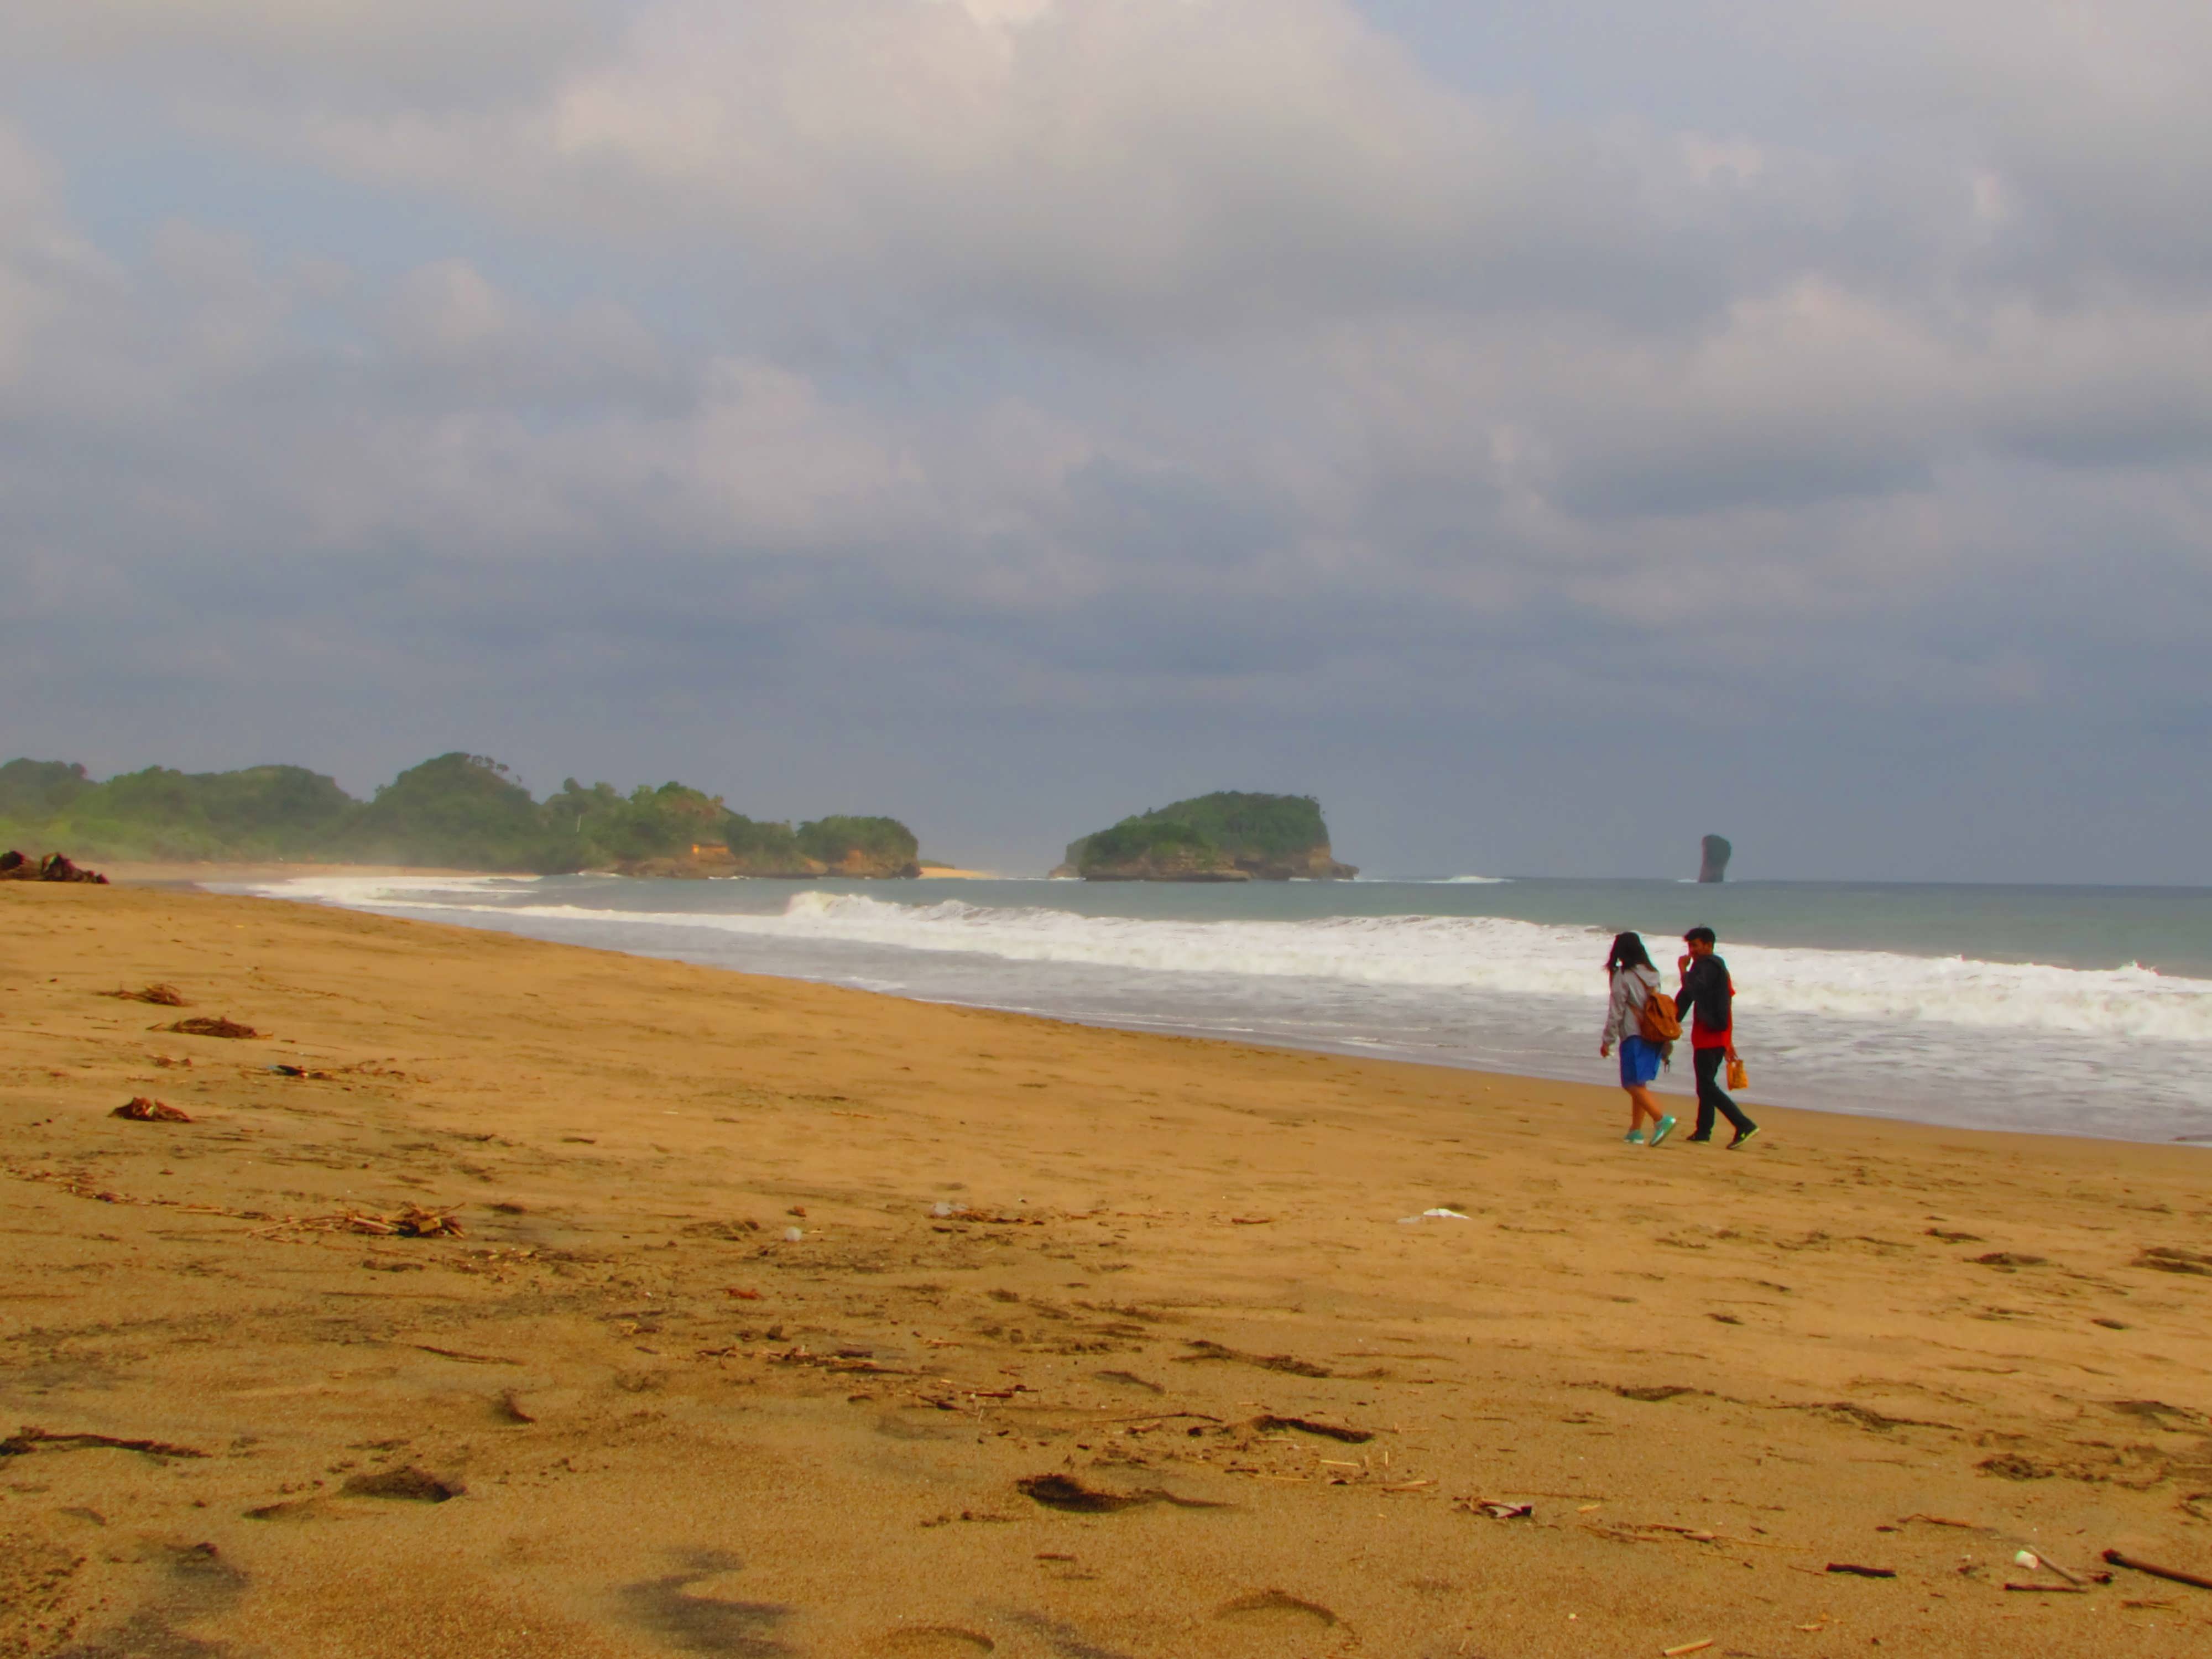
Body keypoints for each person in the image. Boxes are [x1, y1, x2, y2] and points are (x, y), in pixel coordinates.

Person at [1675, 926, 1759, 1148]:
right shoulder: (1709, 967)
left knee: (1706, 1086)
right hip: (1713, 1035)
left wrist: (1683, 970)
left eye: (1695, 945)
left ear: (1708, 945)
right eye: (1689, 946)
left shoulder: (1709, 965)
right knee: (1705, 1085)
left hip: (1710, 1035)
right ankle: (1703, 1131)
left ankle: (1743, 1124)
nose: (1691, 950)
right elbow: (1689, 998)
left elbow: (1693, 990)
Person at [1599, 932, 1677, 1147]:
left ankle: (1661, 1119)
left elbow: (1616, 1011)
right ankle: (1635, 1131)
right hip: (1654, 1033)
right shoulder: (1653, 973)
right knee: (1639, 1083)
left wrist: (1608, 1040)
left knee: (1630, 1083)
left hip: (1634, 1033)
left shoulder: (1623, 976)